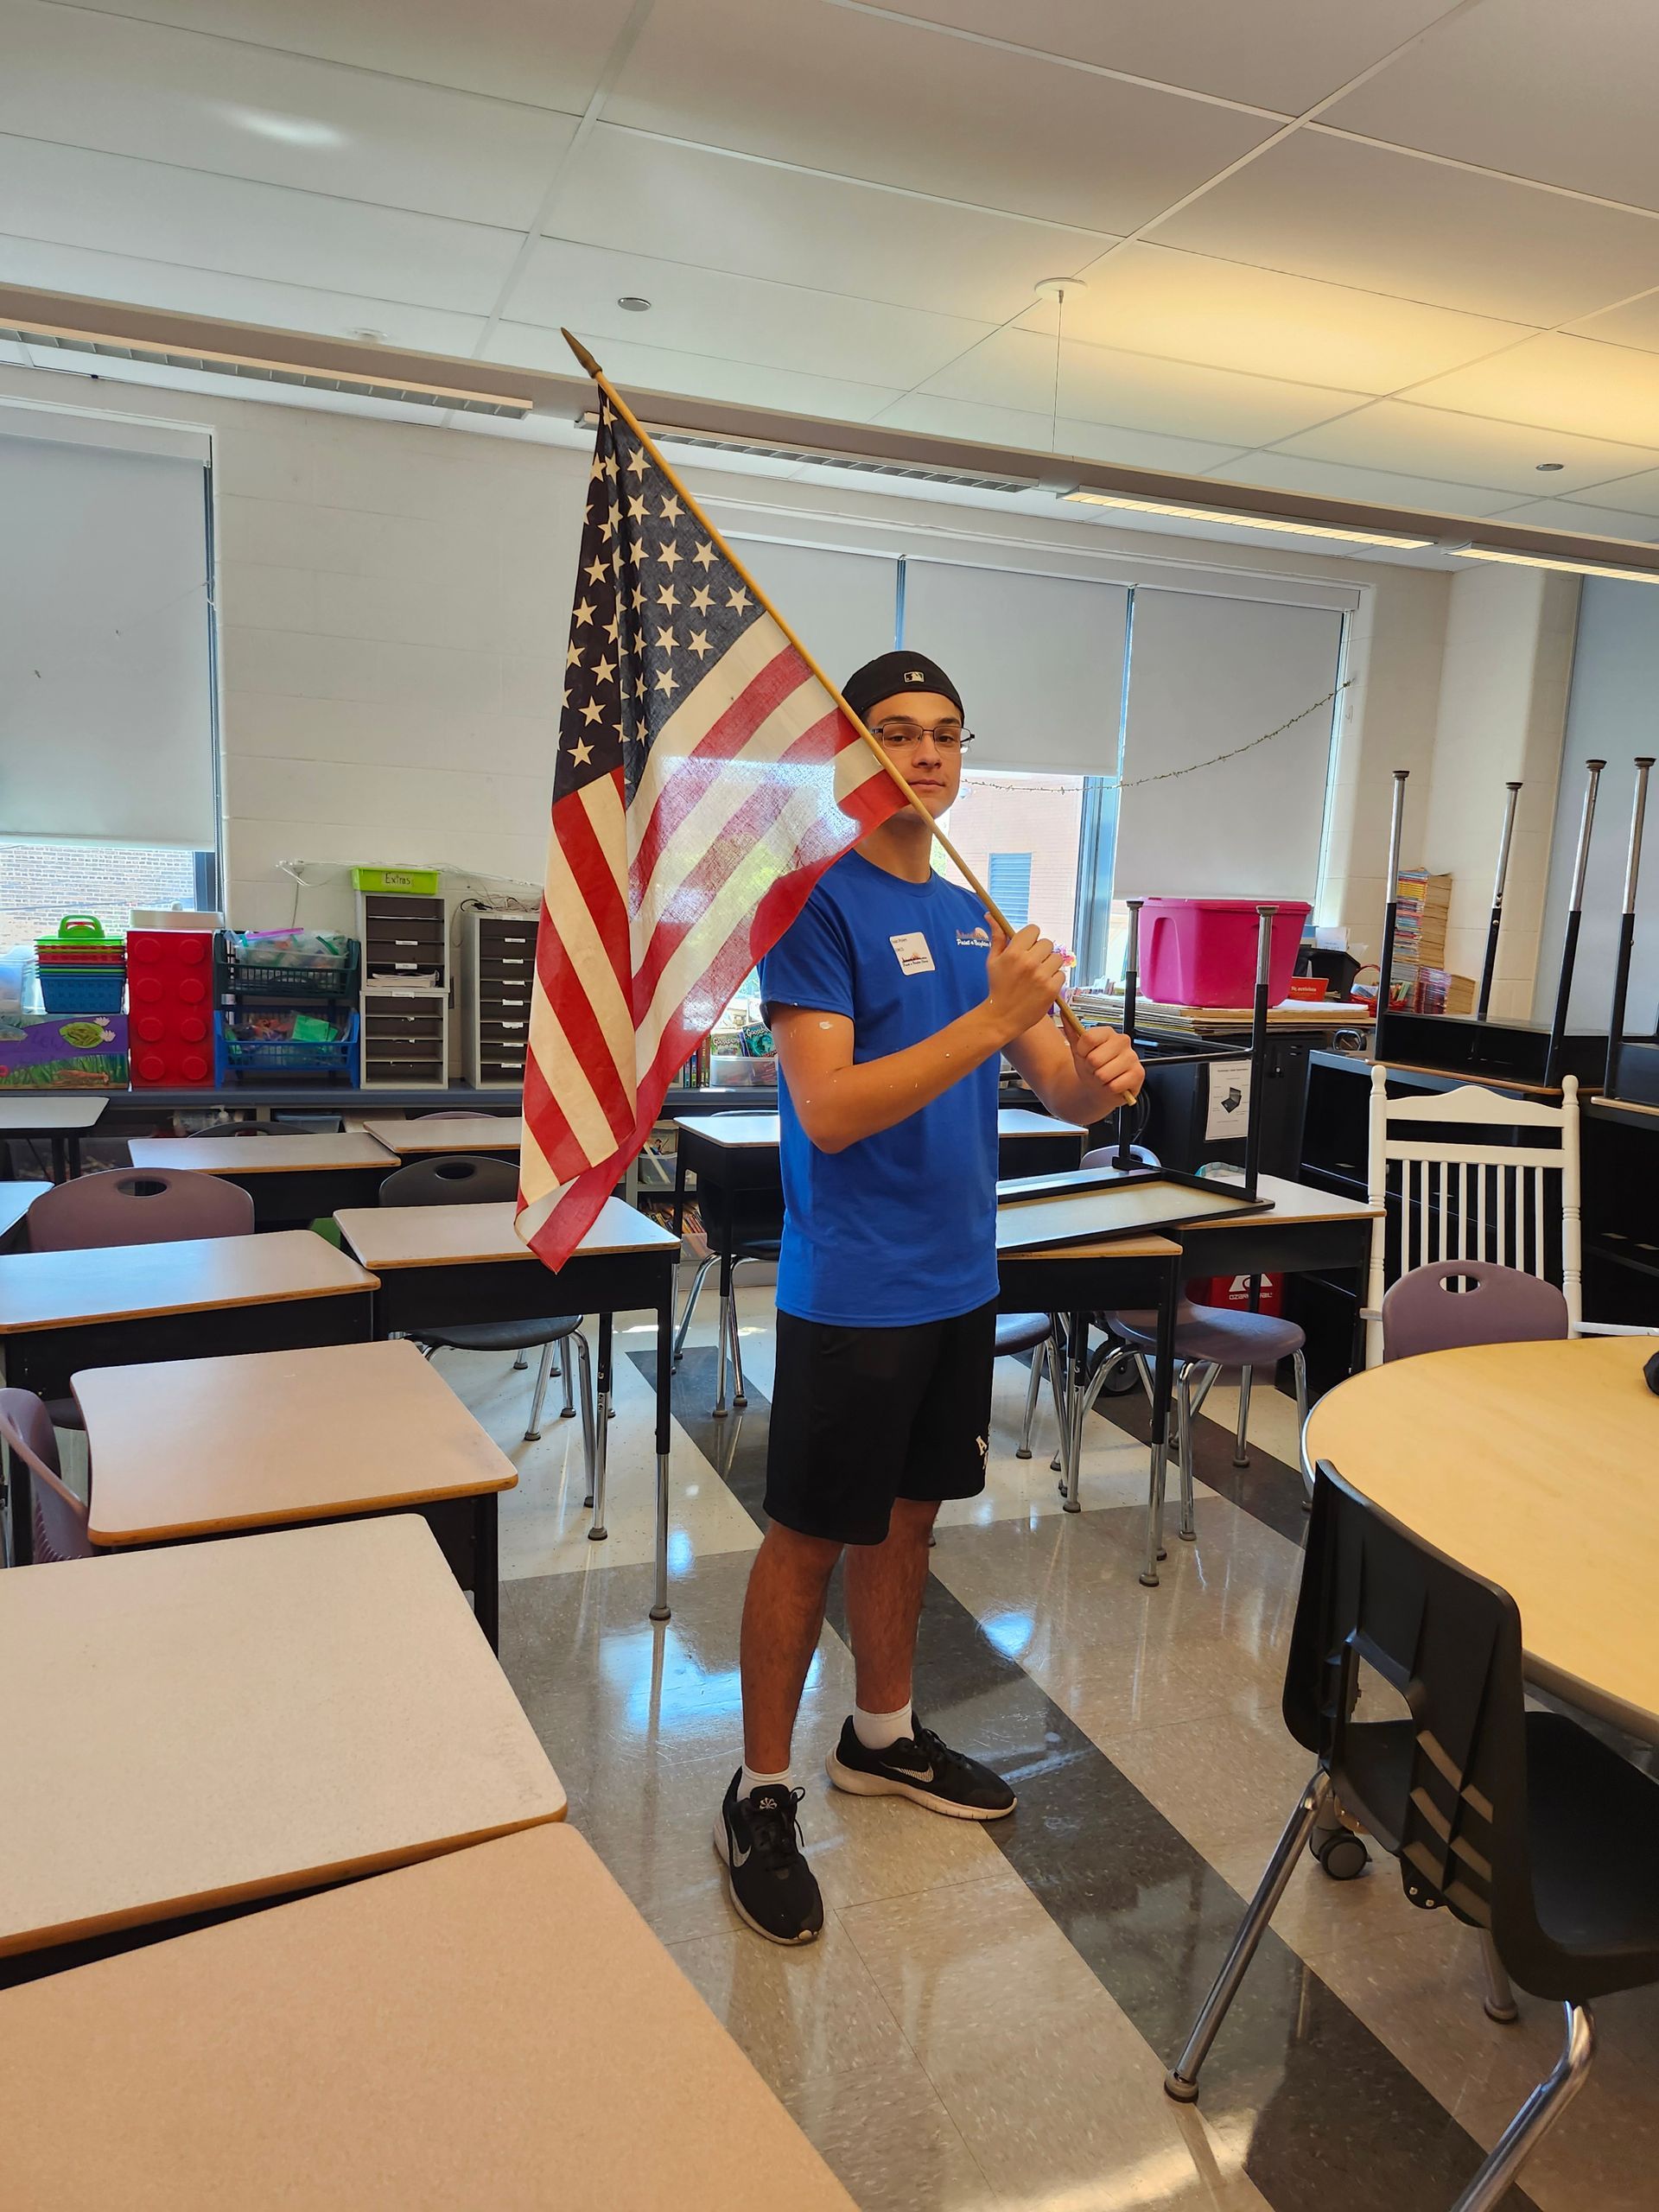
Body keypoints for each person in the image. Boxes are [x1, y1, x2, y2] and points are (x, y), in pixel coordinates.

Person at [714, 650, 1144, 1945]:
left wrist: (1095, 1072)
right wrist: (992, 1016)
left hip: (960, 1278)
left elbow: (1054, 1089)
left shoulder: (974, 912)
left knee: (909, 1524)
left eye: (947, 735)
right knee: (807, 1535)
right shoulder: (811, 908)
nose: (928, 756)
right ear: (855, 755)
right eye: (897, 733)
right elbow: (832, 1112)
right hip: (854, 1290)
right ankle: (763, 1787)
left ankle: (881, 1738)